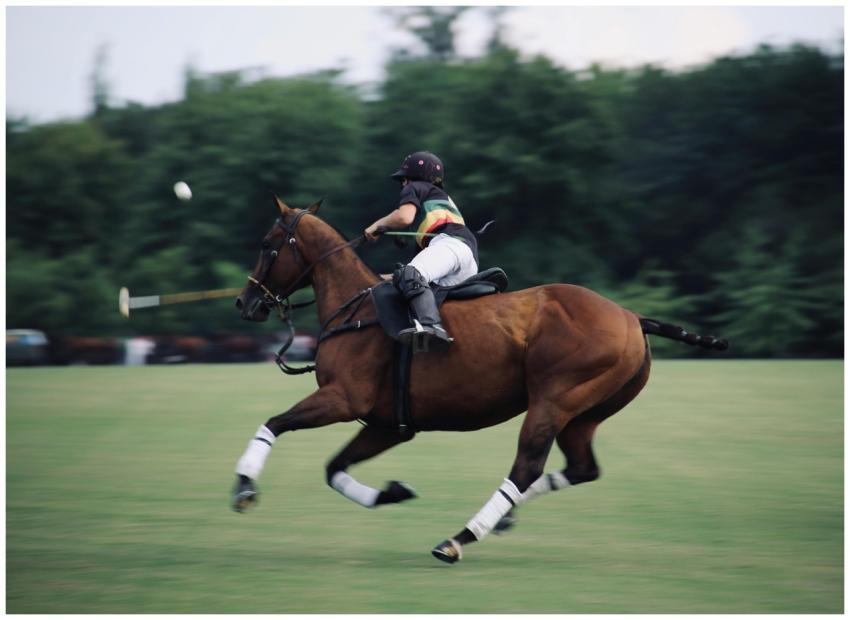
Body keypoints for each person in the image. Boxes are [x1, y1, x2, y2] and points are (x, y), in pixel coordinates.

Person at [365, 151, 479, 351]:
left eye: (403, 180)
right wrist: (378, 278)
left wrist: (376, 226)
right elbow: (413, 279)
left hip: (450, 245)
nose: (403, 185)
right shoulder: (441, 203)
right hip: (466, 259)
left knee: (411, 274)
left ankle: (431, 326)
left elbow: (404, 217)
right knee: (410, 277)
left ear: (411, 178)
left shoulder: (415, 187)